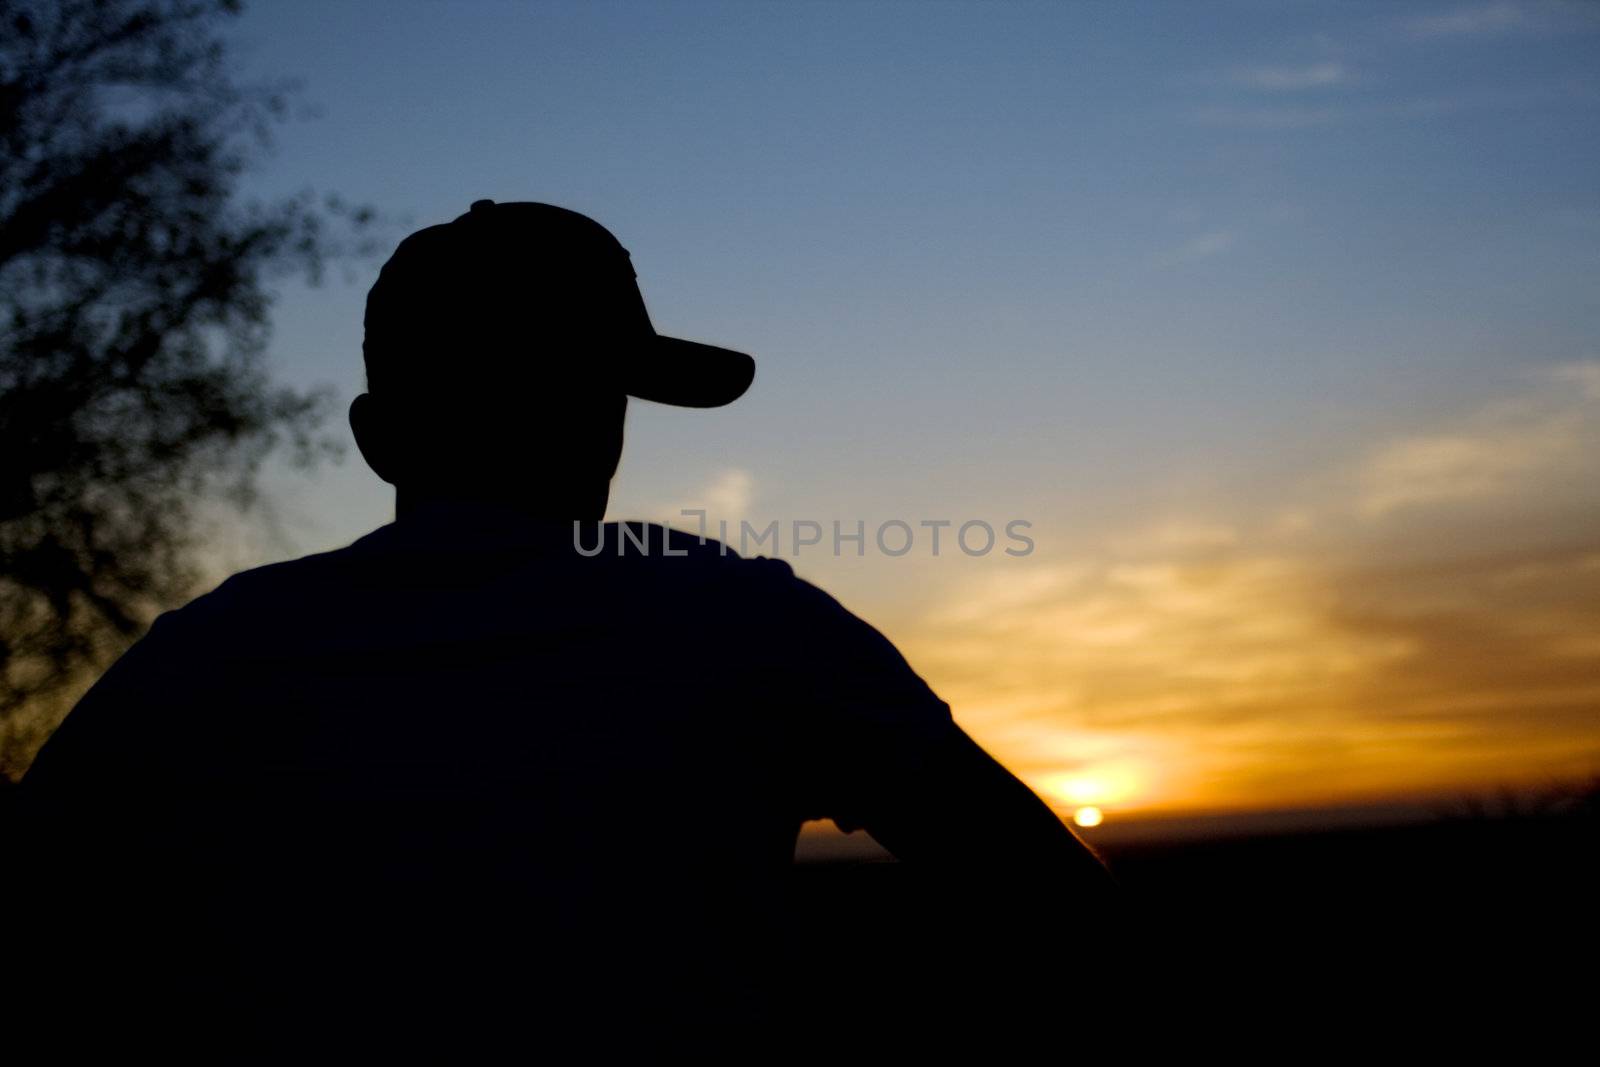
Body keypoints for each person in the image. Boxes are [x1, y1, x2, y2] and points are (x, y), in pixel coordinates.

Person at [13, 200, 1119, 1061]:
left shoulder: (205, 657)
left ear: (376, 437)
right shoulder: (746, 619)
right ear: (607, 418)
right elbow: (1063, 911)